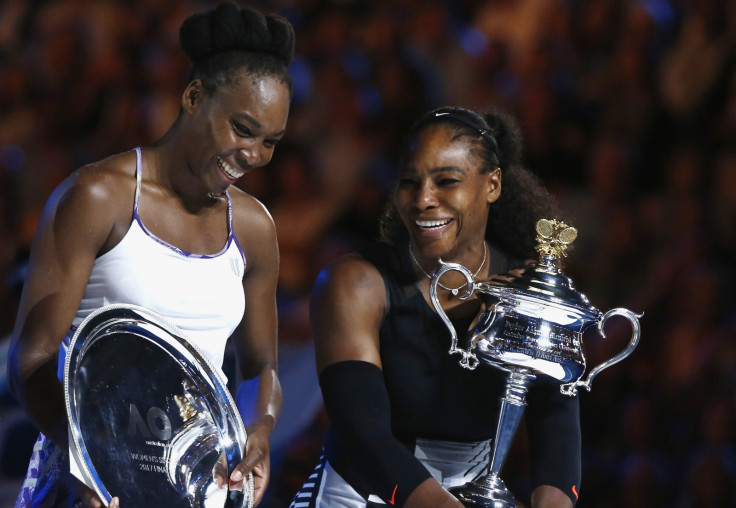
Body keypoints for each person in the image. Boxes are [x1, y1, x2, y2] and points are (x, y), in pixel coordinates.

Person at [7, 2, 295, 506]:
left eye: (270, 141)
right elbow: (30, 359)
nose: (254, 155)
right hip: (89, 484)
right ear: (193, 96)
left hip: (193, 486)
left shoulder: (254, 227)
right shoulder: (98, 196)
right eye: (242, 129)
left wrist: (262, 429)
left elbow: (263, 364)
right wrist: (91, 464)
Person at [291, 106, 581, 507]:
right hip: (356, 494)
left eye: (446, 181)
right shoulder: (356, 282)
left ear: (492, 185)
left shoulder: (529, 287)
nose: (424, 199)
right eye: (410, 182)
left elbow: (556, 421)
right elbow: (364, 434)